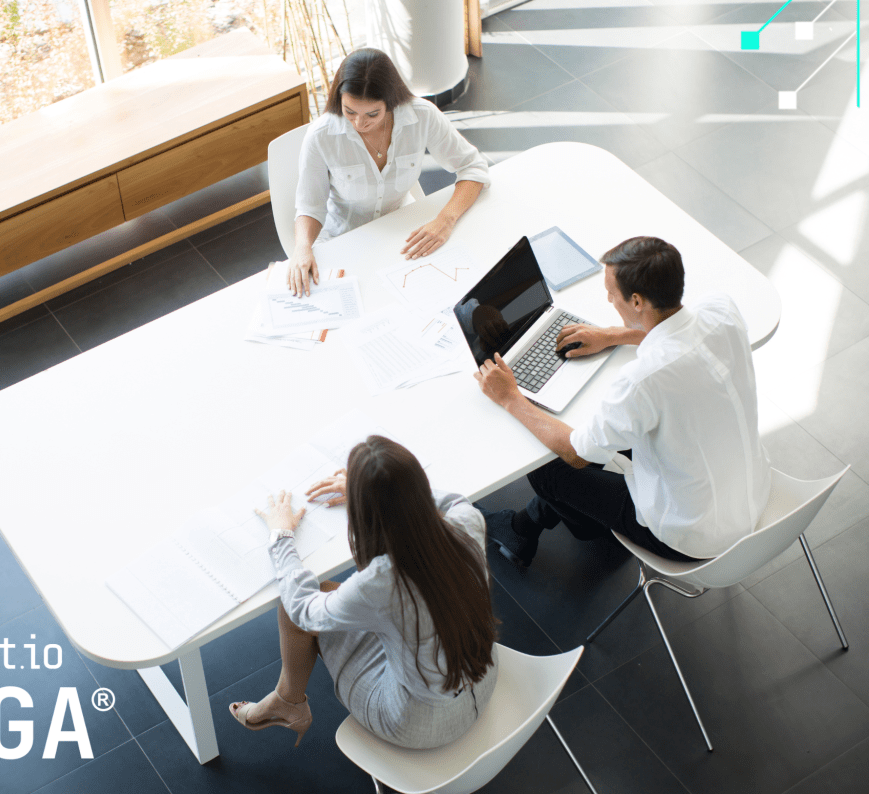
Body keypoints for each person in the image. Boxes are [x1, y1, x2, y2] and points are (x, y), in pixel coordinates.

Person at [474, 236, 771, 567]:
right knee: (615, 436)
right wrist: (612, 335)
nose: (608, 299)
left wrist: (511, 397)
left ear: (637, 301)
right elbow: (679, 328)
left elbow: (575, 453)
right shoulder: (722, 308)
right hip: (753, 495)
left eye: (612, 294)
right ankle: (529, 524)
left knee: (547, 469)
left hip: (689, 537)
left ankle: (589, 528)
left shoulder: (643, 380)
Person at [230, 436, 498, 749]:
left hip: (419, 723)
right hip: (482, 678)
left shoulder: (380, 582)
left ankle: (288, 701)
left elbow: (303, 608)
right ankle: (286, 701)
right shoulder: (468, 522)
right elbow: (453, 501)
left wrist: (281, 534)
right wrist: (385, 495)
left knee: (293, 605)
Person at [288, 48, 490, 296]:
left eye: (372, 114)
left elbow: (473, 167)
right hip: (343, 239)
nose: (359, 124)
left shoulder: (421, 116)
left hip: (402, 231)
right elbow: (310, 206)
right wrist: (301, 247)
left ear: (391, 101)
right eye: (349, 111)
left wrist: (445, 219)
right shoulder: (322, 136)